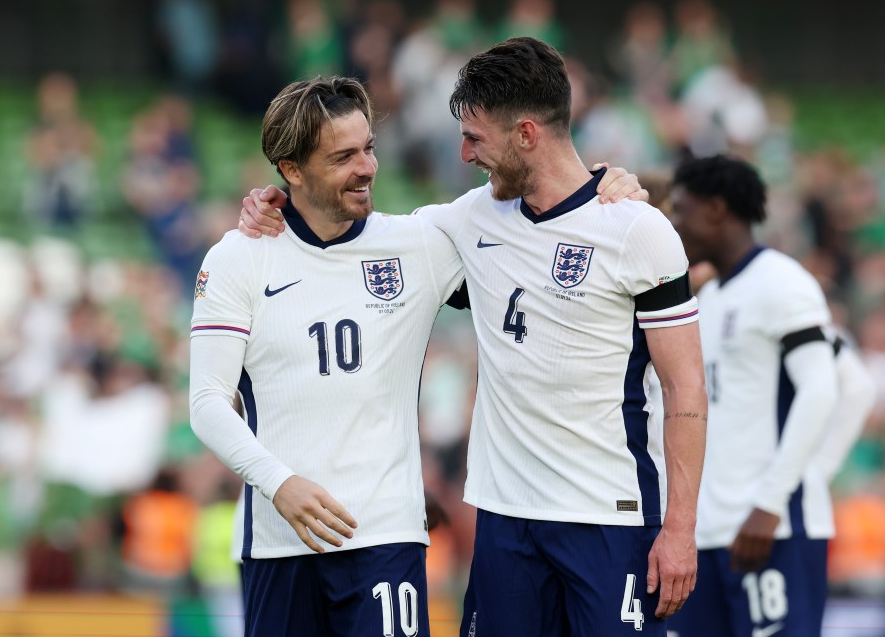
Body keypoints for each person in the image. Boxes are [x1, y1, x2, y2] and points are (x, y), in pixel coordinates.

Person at [240, 37, 707, 636]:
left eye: (475, 138)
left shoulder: (637, 231)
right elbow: (353, 235)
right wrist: (277, 202)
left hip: (609, 519)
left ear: (527, 134)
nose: (463, 155)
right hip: (505, 525)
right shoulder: (468, 221)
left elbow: (686, 387)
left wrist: (679, 529)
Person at [664, 155, 844, 637]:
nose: (674, 224)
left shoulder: (783, 282)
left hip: (771, 529)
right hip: (707, 535)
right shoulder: (709, 298)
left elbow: (826, 388)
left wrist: (773, 500)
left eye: (681, 210)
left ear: (717, 209)